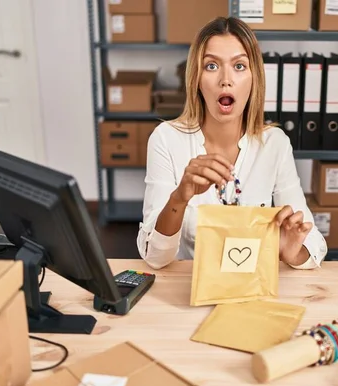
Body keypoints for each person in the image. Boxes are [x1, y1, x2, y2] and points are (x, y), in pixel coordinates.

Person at [137, 16, 328, 270]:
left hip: (251, 288)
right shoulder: (165, 139)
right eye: (212, 66)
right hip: (187, 291)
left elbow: (314, 244)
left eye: (239, 66)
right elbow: (155, 257)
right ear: (196, 78)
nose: (225, 80)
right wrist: (179, 198)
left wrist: (290, 252)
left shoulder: (275, 143)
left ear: (254, 79)